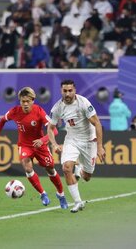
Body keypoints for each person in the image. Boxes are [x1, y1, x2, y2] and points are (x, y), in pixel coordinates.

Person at [0, 87, 68, 209]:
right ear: (20, 101)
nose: (25, 104)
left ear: (33, 100)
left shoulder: (39, 111)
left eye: (28, 101)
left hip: (41, 146)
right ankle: (43, 194)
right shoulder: (14, 112)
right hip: (25, 145)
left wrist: (42, 140)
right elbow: (1, 121)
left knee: (50, 170)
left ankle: (61, 195)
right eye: (22, 101)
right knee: (27, 168)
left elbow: (55, 131)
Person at [47, 79, 106, 213]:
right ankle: (78, 202)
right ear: (61, 91)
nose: (67, 93)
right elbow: (50, 128)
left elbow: (97, 123)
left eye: (70, 91)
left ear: (75, 91)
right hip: (72, 139)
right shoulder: (57, 107)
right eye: (65, 91)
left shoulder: (83, 103)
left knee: (87, 177)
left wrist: (100, 146)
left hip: (88, 141)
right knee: (66, 168)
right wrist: (54, 144)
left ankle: (79, 170)